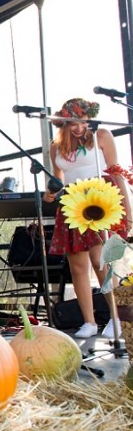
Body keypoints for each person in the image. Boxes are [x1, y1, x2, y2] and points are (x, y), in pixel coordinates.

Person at [45, 98, 131, 338]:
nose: (78, 127)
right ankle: (89, 321)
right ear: (64, 123)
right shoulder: (56, 146)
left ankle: (115, 317)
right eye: (72, 123)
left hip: (99, 198)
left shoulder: (101, 135)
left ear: (89, 119)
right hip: (72, 201)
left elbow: (116, 173)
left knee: (101, 260)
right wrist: (51, 192)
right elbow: (59, 178)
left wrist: (128, 210)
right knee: (78, 265)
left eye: (82, 122)